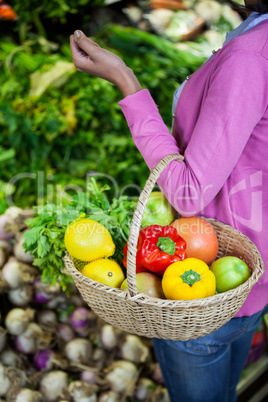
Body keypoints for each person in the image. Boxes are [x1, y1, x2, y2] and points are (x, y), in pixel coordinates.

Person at [70, 0, 268, 400]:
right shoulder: (255, 39)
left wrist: (125, 81)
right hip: (248, 273)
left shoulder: (250, 56)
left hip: (203, 291)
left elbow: (188, 192)